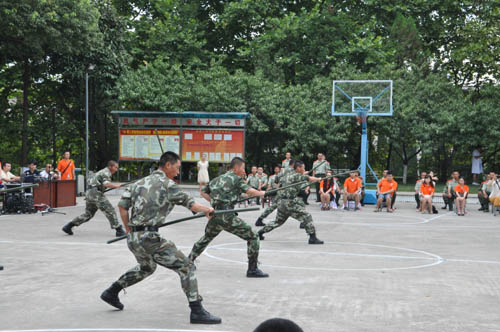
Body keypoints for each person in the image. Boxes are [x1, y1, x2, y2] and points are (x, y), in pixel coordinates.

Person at [100, 152, 221, 324]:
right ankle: (197, 311)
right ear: (168, 165)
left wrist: (129, 230)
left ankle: (111, 292)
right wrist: (208, 210)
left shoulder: (138, 183)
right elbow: (192, 204)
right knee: (186, 267)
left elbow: (122, 206)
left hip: (134, 238)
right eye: (177, 168)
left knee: (147, 267)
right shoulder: (168, 185)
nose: (178, 172)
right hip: (149, 238)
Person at [189, 157, 269, 278]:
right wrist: (263, 193)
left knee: (206, 238)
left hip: (216, 214)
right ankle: (252, 269)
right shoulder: (236, 179)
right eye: (242, 168)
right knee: (253, 236)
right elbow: (250, 192)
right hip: (227, 216)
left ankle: (189, 261)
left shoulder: (216, 179)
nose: (243, 171)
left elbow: (203, 192)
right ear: (236, 168)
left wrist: (215, 203)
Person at [258, 161, 324, 244]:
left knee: (277, 222)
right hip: (289, 203)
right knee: (307, 216)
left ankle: (259, 233)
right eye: (303, 168)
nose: (304, 169)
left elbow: (278, 179)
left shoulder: (287, 174)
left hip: (282, 202)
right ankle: (312, 238)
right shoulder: (296, 175)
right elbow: (309, 178)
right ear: (298, 168)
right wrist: (319, 179)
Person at [62, 161, 126, 237]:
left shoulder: (102, 172)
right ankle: (119, 230)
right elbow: (106, 184)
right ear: (110, 167)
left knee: (88, 214)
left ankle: (69, 226)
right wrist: (117, 186)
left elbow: (94, 182)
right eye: (115, 167)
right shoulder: (106, 172)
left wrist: (101, 188)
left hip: (90, 193)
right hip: (96, 194)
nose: (116, 169)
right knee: (110, 210)